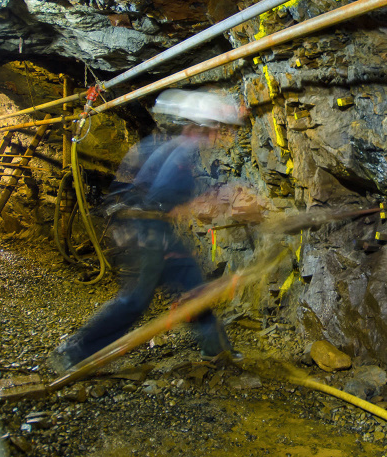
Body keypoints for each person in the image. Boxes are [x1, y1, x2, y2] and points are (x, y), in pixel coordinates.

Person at [48, 89, 252, 373]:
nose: (219, 136)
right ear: (202, 127)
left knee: (195, 287)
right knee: (134, 301)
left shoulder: (175, 147)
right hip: (148, 233)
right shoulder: (181, 151)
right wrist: (206, 204)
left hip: (158, 231)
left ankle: (217, 350)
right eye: (216, 128)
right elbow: (158, 198)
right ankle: (74, 351)